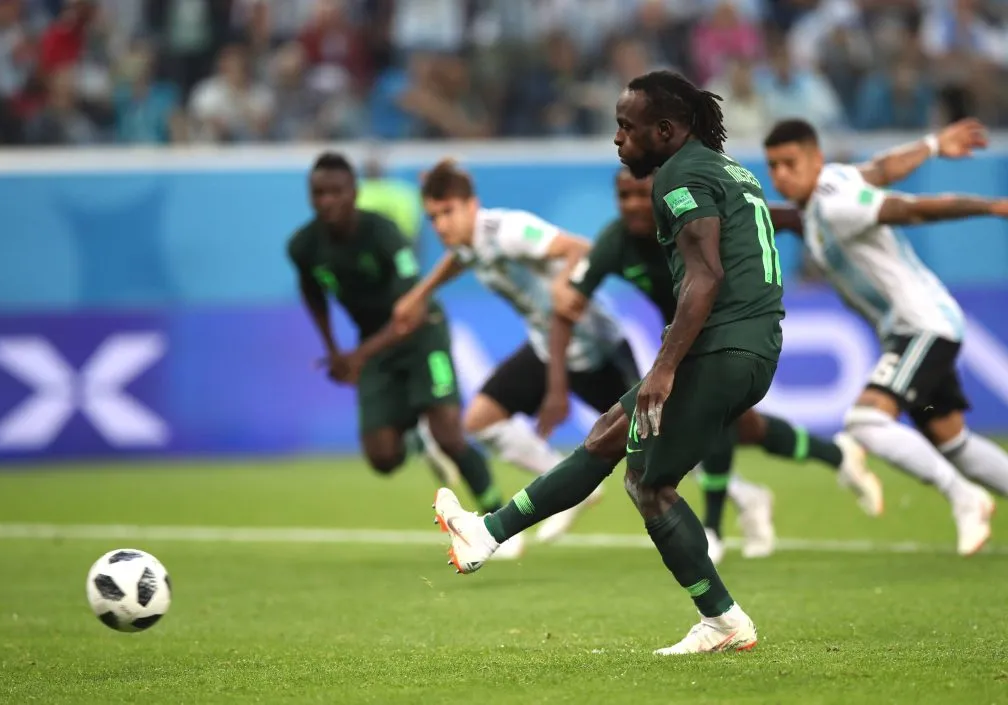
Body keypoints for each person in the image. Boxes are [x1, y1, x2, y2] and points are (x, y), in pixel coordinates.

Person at [431, 70, 788, 655]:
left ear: (667, 130)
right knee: (606, 436)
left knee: (650, 485)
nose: (618, 140)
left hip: (723, 347)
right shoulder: (732, 170)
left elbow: (705, 277)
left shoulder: (680, 174)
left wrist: (666, 367)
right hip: (742, 344)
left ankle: (722, 617)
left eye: (627, 128)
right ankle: (487, 533)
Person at [545, 166, 882, 563]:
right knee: (746, 427)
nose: (633, 205)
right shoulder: (616, 241)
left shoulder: (694, 218)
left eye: (641, 194)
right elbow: (567, 307)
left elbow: (778, 217)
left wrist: (819, 238)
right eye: (624, 196)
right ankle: (834, 459)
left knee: (716, 415)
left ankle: (714, 527)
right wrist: (556, 380)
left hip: (731, 329)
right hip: (681, 339)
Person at [763, 118, 1008, 555]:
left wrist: (989, 207)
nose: (781, 174)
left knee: (866, 422)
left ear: (816, 159)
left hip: (922, 325)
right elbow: (881, 169)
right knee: (952, 441)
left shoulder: (836, 203)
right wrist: (932, 143)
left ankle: (965, 498)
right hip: (913, 328)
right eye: (773, 166)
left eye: (790, 163)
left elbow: (910, 208)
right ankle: (967, 488)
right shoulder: (830, 190)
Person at [391, 159, 641, 550]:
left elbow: (579, 247)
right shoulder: (469, 242)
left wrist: (563, 282)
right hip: (547, 348)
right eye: (433, 217)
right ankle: (573, 487)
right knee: (480, 420)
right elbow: (461, 257)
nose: (440, 225)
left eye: (447, 212)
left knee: (654, 437)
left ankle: (743, 497)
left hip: (595, 345)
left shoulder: (508, 230)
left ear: (471, 205)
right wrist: (419, 294)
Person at [287, 152, 503, 519]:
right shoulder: (304, 246)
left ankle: (496, 518)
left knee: (450, 435)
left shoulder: (383, 232)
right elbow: (312, 293)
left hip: (423, 333)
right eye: (318, 194)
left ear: (354, 192)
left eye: (335, 192)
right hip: (374, 343)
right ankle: (418, 439)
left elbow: (411, 312)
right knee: (383, 458)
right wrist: (333, 348)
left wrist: (356, 357)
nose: (327, 201)